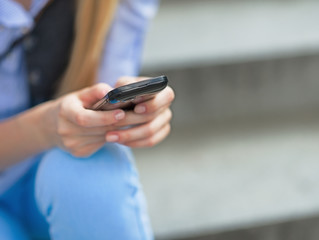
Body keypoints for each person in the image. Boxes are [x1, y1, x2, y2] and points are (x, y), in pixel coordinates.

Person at [0, 0, 175, 239]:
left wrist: (136, 114)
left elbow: (106, 92)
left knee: (87, 172)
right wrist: (44, 127)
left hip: (49, 181)